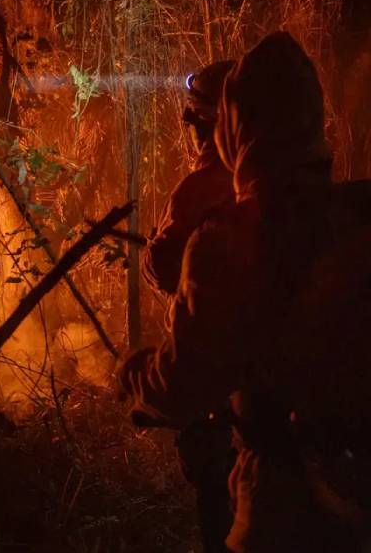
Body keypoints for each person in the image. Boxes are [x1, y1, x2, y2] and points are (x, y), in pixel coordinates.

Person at [118, 31, 371, 552]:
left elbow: (185, 381)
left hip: (283, 505)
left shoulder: (230, 242)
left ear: (235, 129)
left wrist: (136, 377)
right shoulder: (356, 217)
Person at [141, 60, 236, 553]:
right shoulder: (299, 186)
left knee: (222, 512)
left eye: (196, 118)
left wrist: (143, 380)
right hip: (302, 433)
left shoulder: (204, 189)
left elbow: (163, 265)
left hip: (228, 408)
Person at [142, 60, 235, 296]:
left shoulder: (199, 190)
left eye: (193, 115)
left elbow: (162, 269)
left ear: (204, 123)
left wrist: (154, 250)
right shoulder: (273, 179)